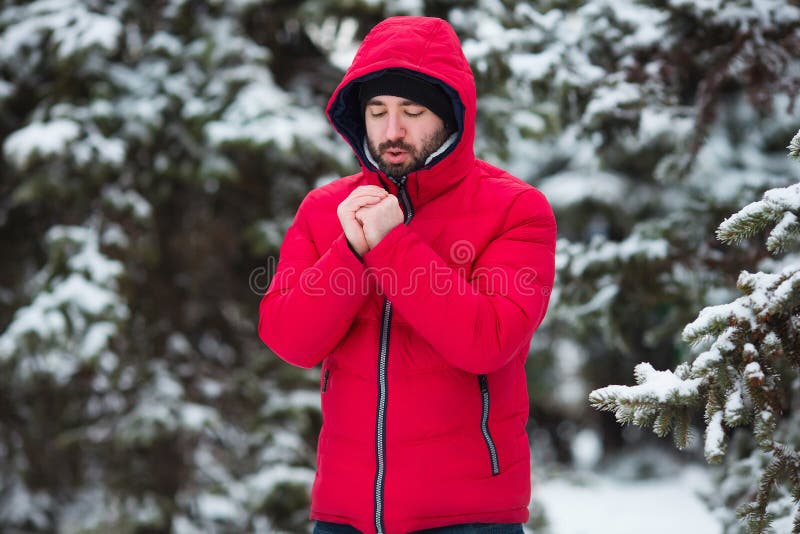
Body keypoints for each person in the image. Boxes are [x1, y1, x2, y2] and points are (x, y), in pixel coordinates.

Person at [258, 15, 556, 534]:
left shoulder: (516, 210)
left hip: (469, 517)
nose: (392, 131)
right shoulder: (326, 209)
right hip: (343, 516)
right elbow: (290, 339)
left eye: (412, 112)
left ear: (450, 114)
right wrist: (351, 250)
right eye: (377, 112)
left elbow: (488, 340)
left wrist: (393, 247)